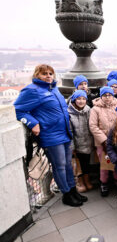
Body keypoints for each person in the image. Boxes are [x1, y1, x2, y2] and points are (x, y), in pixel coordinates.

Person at [14, 64, 87, 207]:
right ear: (37, 75)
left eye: (50, 73)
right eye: (44, 74)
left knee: (67, 165)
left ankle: (72, 190)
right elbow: (18, 110)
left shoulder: (54, 88)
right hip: (51, 135)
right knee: (59, 166)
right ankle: (66, 194)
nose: (48, 76)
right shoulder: (32, 90)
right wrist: (32, 123)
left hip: (64, 133)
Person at [89, 86, 117, 197]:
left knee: (116, 160)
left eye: (109, 95)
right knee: (105, 163)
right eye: (105, 95)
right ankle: (104, 182)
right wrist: (104, 140)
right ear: (101, 96)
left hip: (116, 140)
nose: (107, 97)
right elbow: (93, 126)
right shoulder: (95, 109)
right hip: (102, 142)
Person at [68, 90, 94, 193]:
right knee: (78, 164)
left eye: (83, 99)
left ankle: (87, 180)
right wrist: (72, 147)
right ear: (74, 100)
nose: (81, 101)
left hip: (87, 142)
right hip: (77, 143)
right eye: (79, 99)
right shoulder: (69, 113)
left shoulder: (89, 110)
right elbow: (70, 132)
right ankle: (80, 182)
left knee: (86, 163)